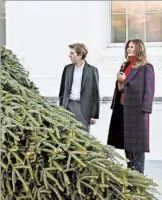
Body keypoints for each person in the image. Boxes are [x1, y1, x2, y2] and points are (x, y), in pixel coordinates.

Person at [107, 39, 155, 174]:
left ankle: (139, 175)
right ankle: (130, 172)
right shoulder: (125, 65)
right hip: (123, 109)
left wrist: (145, 110)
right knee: (126, 143)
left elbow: (149, 90)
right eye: (128, 46)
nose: (128, 49)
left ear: (139, 49)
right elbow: (122, 87)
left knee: (138, 146)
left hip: (138, 112)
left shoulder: (146, 67)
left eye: (132, 47)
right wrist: (120, 84)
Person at [59, 43, 100, 132]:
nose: (69, 56)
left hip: (83, 108)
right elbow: (62, 90)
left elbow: (95, 93)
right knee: (66, 134)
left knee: (83, 136)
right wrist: (61, 108)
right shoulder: (67, 69)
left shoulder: (92, 70)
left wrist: (94, 115)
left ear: (80, 54)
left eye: (72, 53)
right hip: (68, 107)